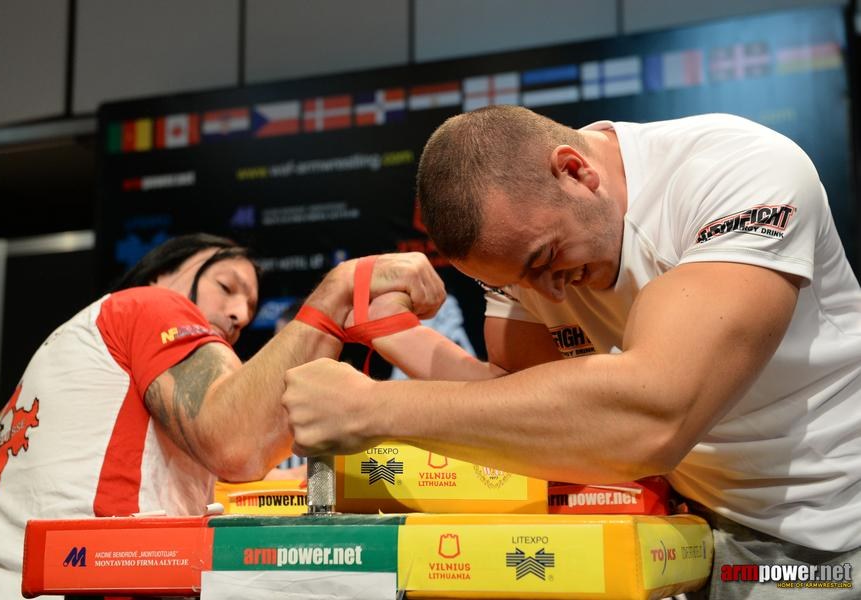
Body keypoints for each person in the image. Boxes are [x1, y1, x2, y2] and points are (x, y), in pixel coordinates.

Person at [282, 107, 861, 598]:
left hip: (832, 529)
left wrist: (373, 409)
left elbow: (653, 415)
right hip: (693, 530)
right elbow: (529, 410)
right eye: (516, 283)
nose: (551, 295)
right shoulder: (525, 251)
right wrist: (394, 330)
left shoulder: (740, 172)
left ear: (576, 171)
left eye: (545, 260)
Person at [0, 233, 443, 600]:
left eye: (250, 307)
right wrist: (339, 289)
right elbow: (237, 443)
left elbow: (253, 470)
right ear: (162, 273)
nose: (238, 314)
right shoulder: (150, 305)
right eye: (226, 286)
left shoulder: (85, 353)